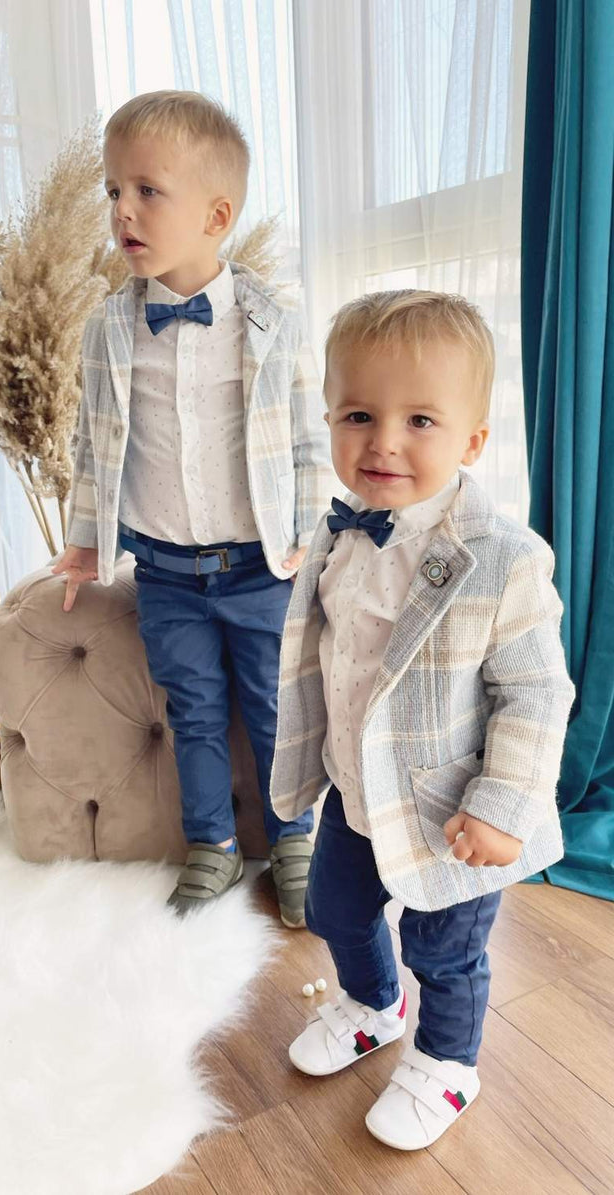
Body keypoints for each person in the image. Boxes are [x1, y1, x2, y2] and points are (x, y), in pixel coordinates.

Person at [270, 290, 575, 1147]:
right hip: (354, 788)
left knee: (446, 948)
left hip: (452, 812)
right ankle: (372, 1003)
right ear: (329, 416)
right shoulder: (337, 533)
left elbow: (537, 692)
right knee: (333, 907)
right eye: (359, 413)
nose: (384, 442)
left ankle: (447, 1061)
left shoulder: (504, 559)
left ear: (474, 441)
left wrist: (502, 804)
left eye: (420, 420)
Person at [53, 91, 335, 926]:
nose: (123, 211)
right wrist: (80, 545)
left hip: (259, 567)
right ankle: (210, 841)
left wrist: (310, 545)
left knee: (279, 707)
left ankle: (294, 839)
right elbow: (95, 447)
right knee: (195, 710)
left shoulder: (272, 322)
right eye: (112, 192)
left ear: (216, 214)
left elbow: (305, 445)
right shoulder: (108, 329)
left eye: (146, 190)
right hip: (168, 572)